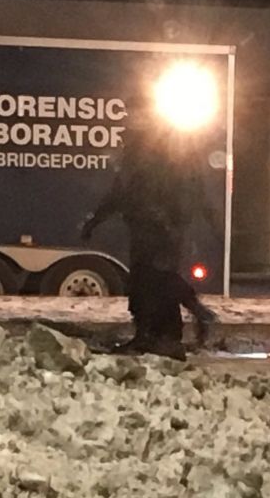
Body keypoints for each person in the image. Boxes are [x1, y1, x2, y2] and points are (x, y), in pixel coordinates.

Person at [80, 108, 217, 360]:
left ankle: (157, 335)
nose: (124, 137)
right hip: (160, 229)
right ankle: (165, 335)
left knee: (148, 282)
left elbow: (122, 194)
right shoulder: (165, 155)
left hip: (151, 229)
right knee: (157, 281)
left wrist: (95, 221)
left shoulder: (143, 158)